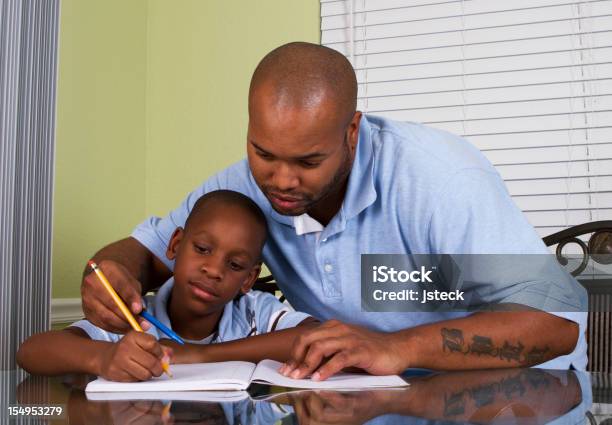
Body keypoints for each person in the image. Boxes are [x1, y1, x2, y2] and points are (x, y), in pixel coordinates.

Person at [80, 42, 588, 381]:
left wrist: (398, 348)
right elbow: (146, 252)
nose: (281, 181)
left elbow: (558, 322)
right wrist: (110, 271)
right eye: (263, 152)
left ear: (351, 132)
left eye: (308, 161)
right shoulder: (244, 185)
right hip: (352, 397)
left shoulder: (438, 181)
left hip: (502, 396)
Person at [17, 190, 316, 381]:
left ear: (248, 279)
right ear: (174, 245)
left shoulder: (256, 314)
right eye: (202, 249)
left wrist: (200, 356)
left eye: (234, 265)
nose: (213, 270)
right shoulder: (134, 319)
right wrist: (103, 357)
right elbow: (30, 352)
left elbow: (315, 336)